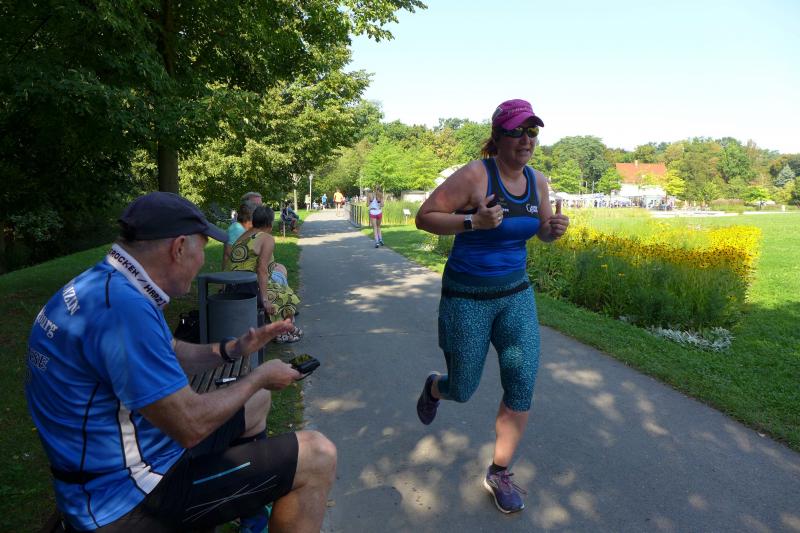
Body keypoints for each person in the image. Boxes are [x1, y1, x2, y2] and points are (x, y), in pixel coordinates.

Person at [25, 192, 336, 532]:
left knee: (257, 402)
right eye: (202, 249)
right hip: (127, 499)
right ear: (179, 248)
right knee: (317, 455)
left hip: (112, 469)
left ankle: (253, 522)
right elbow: (190, 425)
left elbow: (171, 351)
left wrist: (234, 349)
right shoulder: (124, 312)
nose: (203, 261)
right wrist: (258, 377)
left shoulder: (105, 284)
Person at [414, 99, 569, 514]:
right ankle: (435, 387)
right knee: (462, 388)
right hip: (467, 297)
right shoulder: (475, 176)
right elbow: (424, 217)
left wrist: (552, 230)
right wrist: (472, 222)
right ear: (498, 137)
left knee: (521, 383)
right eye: (517, 131)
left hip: (516, 295)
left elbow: (539, 230)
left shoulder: (538, 181)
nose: (526, 140)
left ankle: (499, 472)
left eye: (532, 131)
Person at [228, 205, 304, 344]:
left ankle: (284, 330)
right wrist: (264, 299)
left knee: (280, 288)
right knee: (286, 295)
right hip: (251, 288)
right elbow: (261, 269)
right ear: (270, 222)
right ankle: (283, 331)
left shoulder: (243, 236)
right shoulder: (266, 238)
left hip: (234, 286)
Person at [222, 203, 252, 270]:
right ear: (249, 220)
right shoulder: (236, 229)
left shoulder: (241, 228)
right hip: (232, 271)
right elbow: (229, 252)